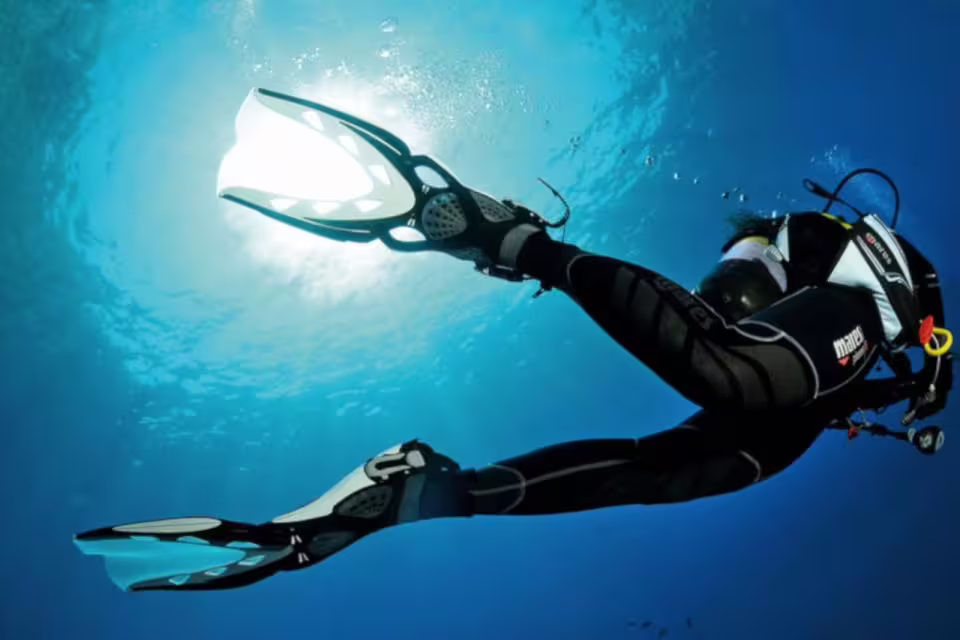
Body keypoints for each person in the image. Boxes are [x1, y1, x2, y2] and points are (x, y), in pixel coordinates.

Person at [74, 89, 954, 592]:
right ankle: (498, 240)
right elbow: (739, 330)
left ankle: (428, 485)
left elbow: (760, 310)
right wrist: (926, 378)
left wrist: (910, 385)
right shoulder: (845, 281)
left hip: (804, 408)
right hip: (805, 383)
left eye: (734, 276)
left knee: (652, 475)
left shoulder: (829, 254)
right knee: (723, 374)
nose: (715, 292)